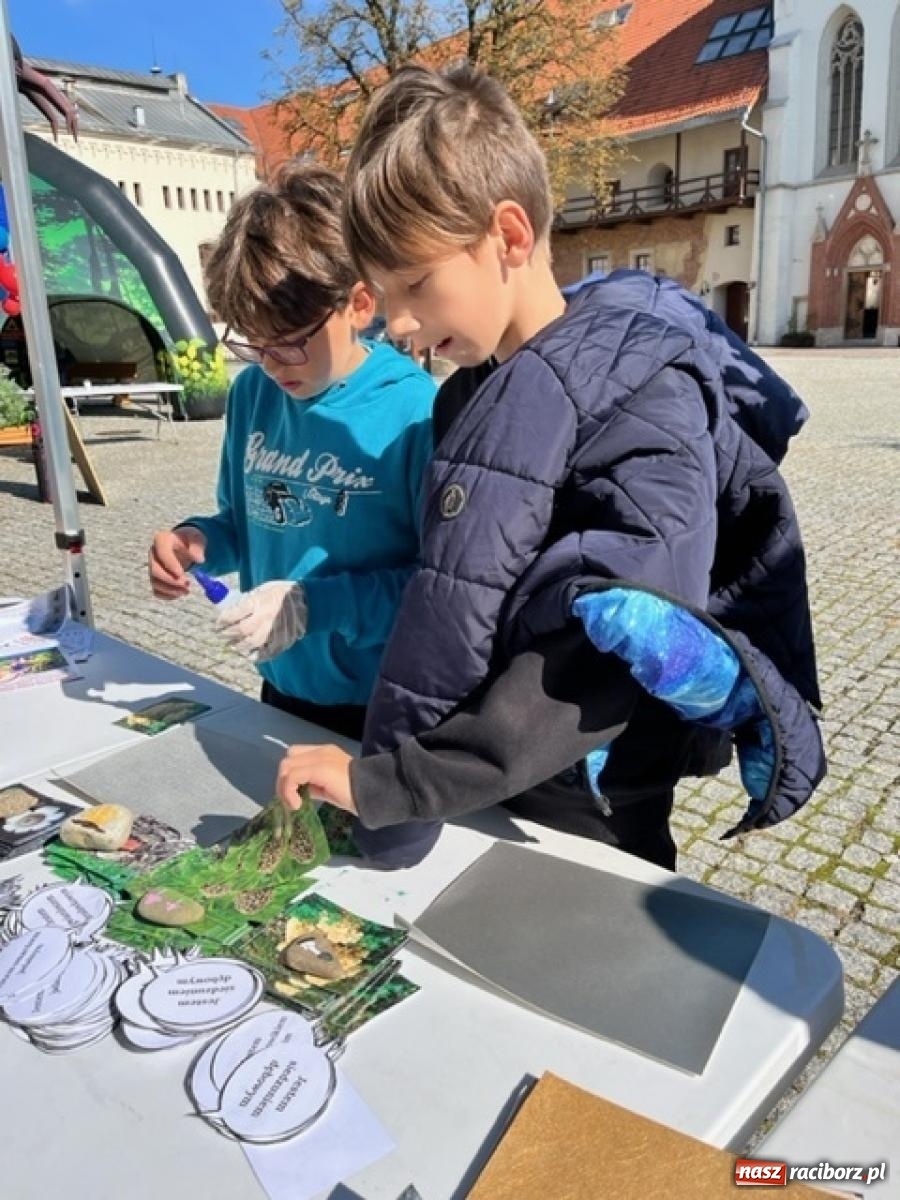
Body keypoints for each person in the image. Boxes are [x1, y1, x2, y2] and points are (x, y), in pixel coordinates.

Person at [276, 65, 825, 865]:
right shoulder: (464, 399)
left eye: (416, 284)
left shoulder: (646, 397)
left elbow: (598, 662)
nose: (397, 323)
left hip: (594, 803)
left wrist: (396, 783)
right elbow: (457, 600)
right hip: (482, 786)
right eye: (385, 292)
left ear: (507, 235)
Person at [148, 162, 435, 741]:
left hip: (379, 703)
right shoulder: (253, 391)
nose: (273, 365)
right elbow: (240, 519)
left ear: (357, 305)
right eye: (253, 343)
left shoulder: (416, 412)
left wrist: (314, 605)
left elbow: (435, 588)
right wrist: (196, 540)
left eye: (289, 344)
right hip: (281, 684)